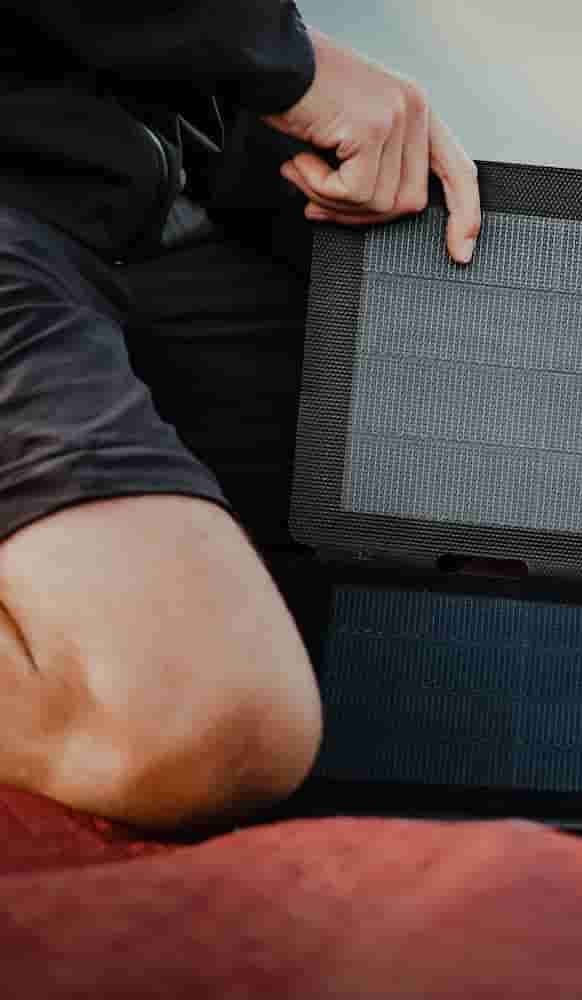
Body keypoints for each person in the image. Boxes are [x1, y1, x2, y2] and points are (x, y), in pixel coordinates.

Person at [0, 3, 482, 829]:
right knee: (202, 722)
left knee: (442, 421)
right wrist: (284, 62)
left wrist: (247, 105)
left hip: (112, 210)